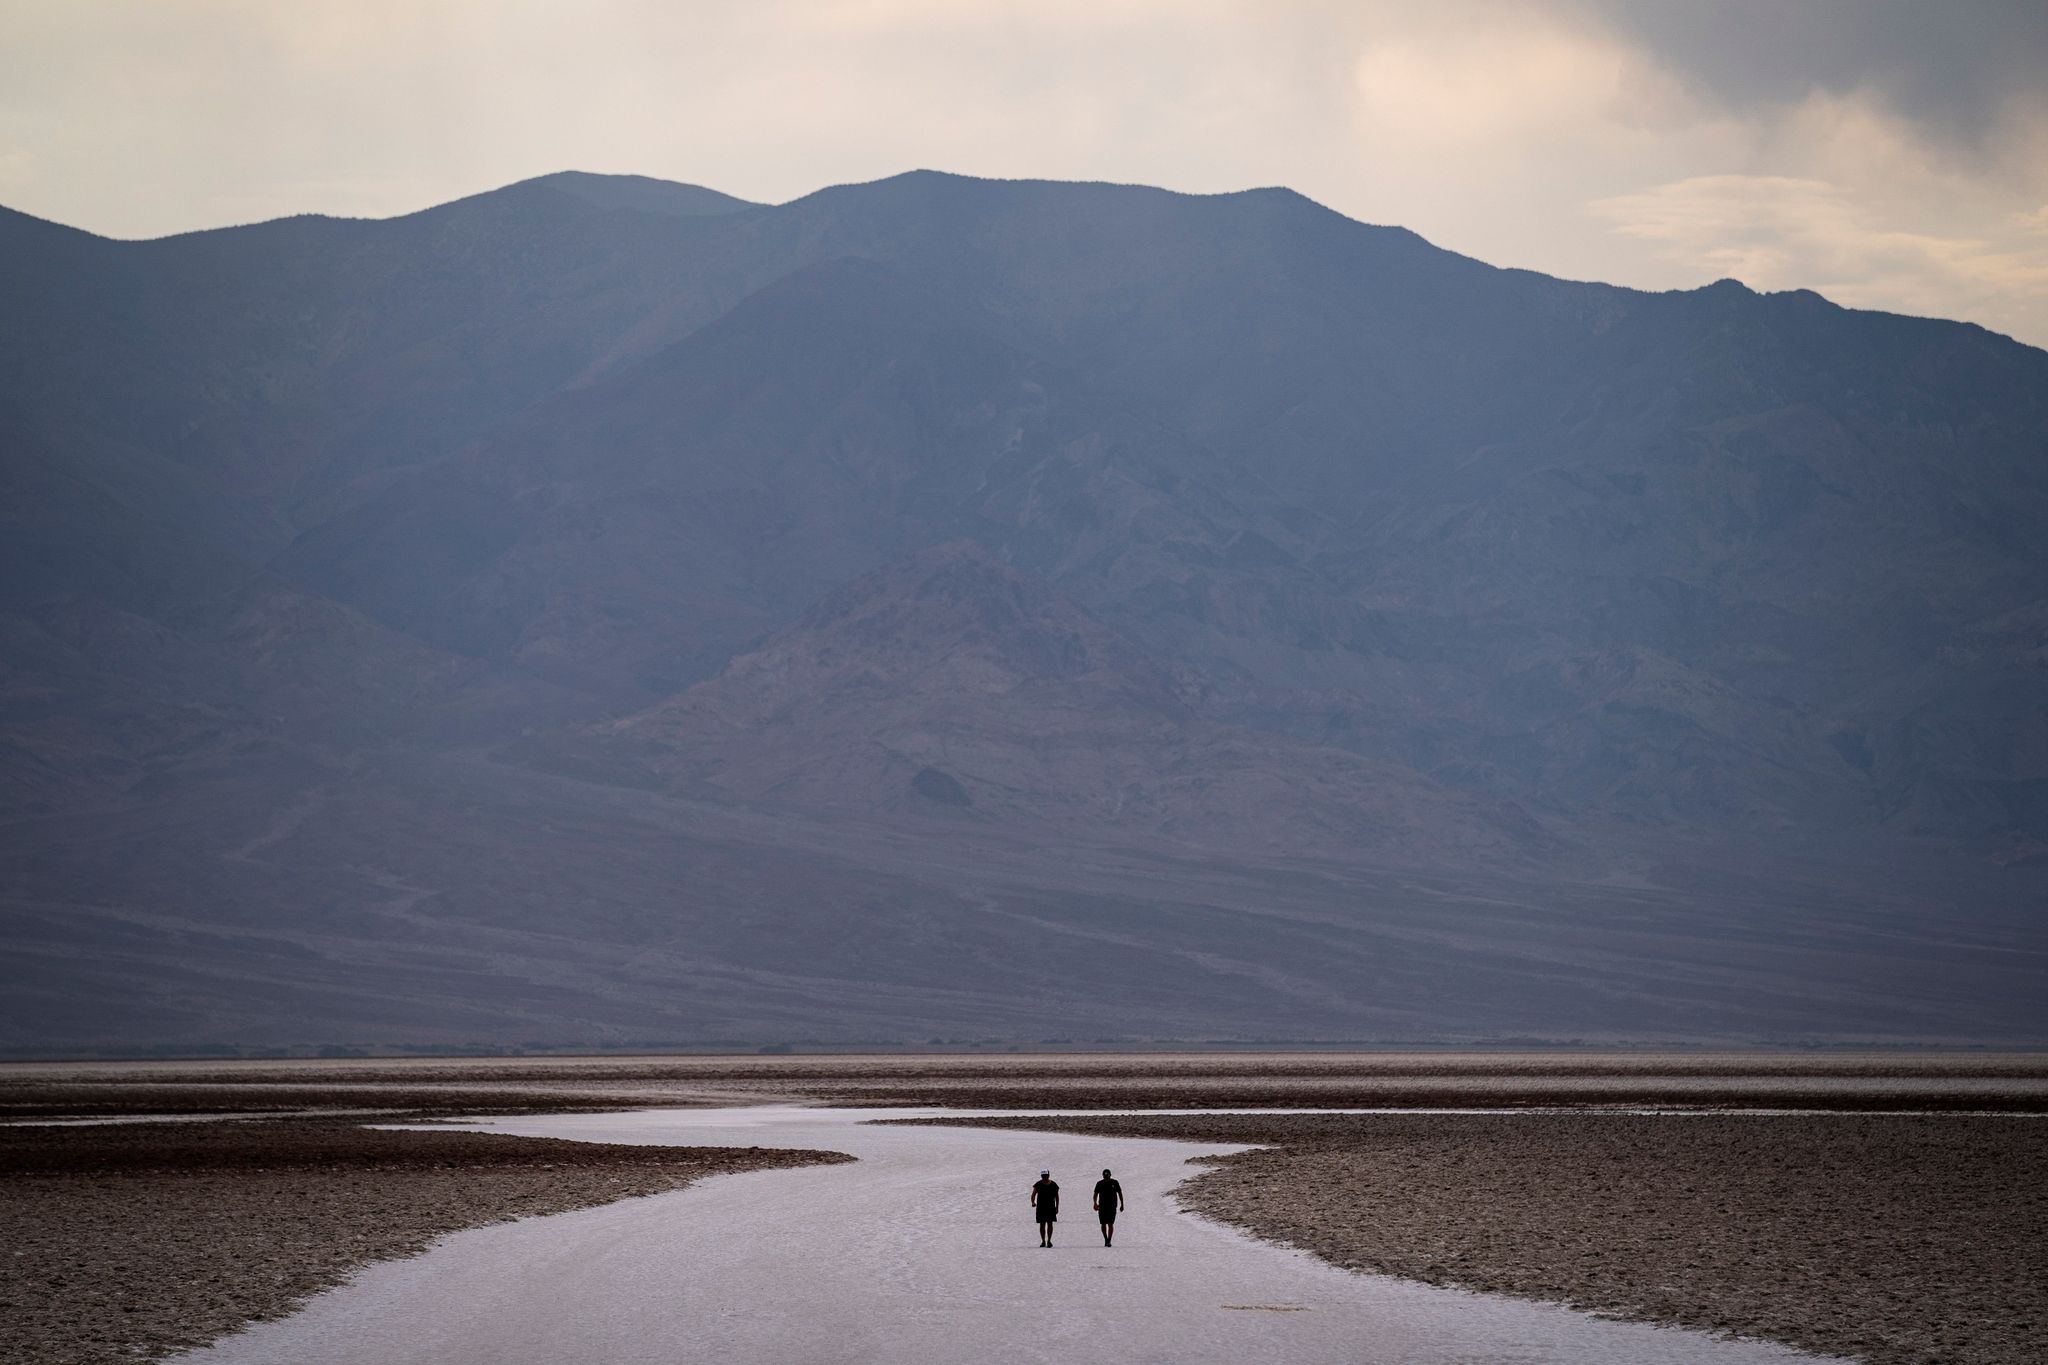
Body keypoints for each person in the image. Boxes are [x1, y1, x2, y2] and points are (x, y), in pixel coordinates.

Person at [1092, 1168, 1124, 1246]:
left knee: (1110, 1223)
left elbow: (1120, 1193)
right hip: (1102, 1206)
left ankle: (1109, 1240)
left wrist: (1122, 1204)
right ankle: (1106, 1239)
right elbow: (1095, 1194)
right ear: (1103, 1176)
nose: (1106, 1177)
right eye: (1105, 1176)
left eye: (1107, 1176)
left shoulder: (1115, 1183)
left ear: (1110, 1175)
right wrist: (1095, 1203)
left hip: (1112, 1206)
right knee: (1103, 1224)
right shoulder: (1099, 1183)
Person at [1031, 1168, 1059, 1247]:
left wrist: (1057, 1207)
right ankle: (1043, 1241)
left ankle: (1049, 1240)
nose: (1045, 1177)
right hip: (1041, 1207)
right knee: (1042, 1224)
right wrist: (1033, 1202)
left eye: (1046, 1176)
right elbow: (1033, 1194)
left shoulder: (1053, 1185)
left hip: (1051, 1207)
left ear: (1048, 1175)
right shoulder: (1038, 1184)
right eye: (1043, 1176)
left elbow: (1057, 1197)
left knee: (1050, 1224)